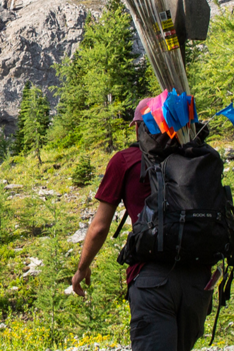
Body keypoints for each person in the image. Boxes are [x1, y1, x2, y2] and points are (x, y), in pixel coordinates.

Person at [69, 100, 216, 351]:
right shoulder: (197, 158)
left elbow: (100, 226)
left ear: (139, 127)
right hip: (198, 280)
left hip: (151, 278)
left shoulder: (125, 160)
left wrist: (81, 268)